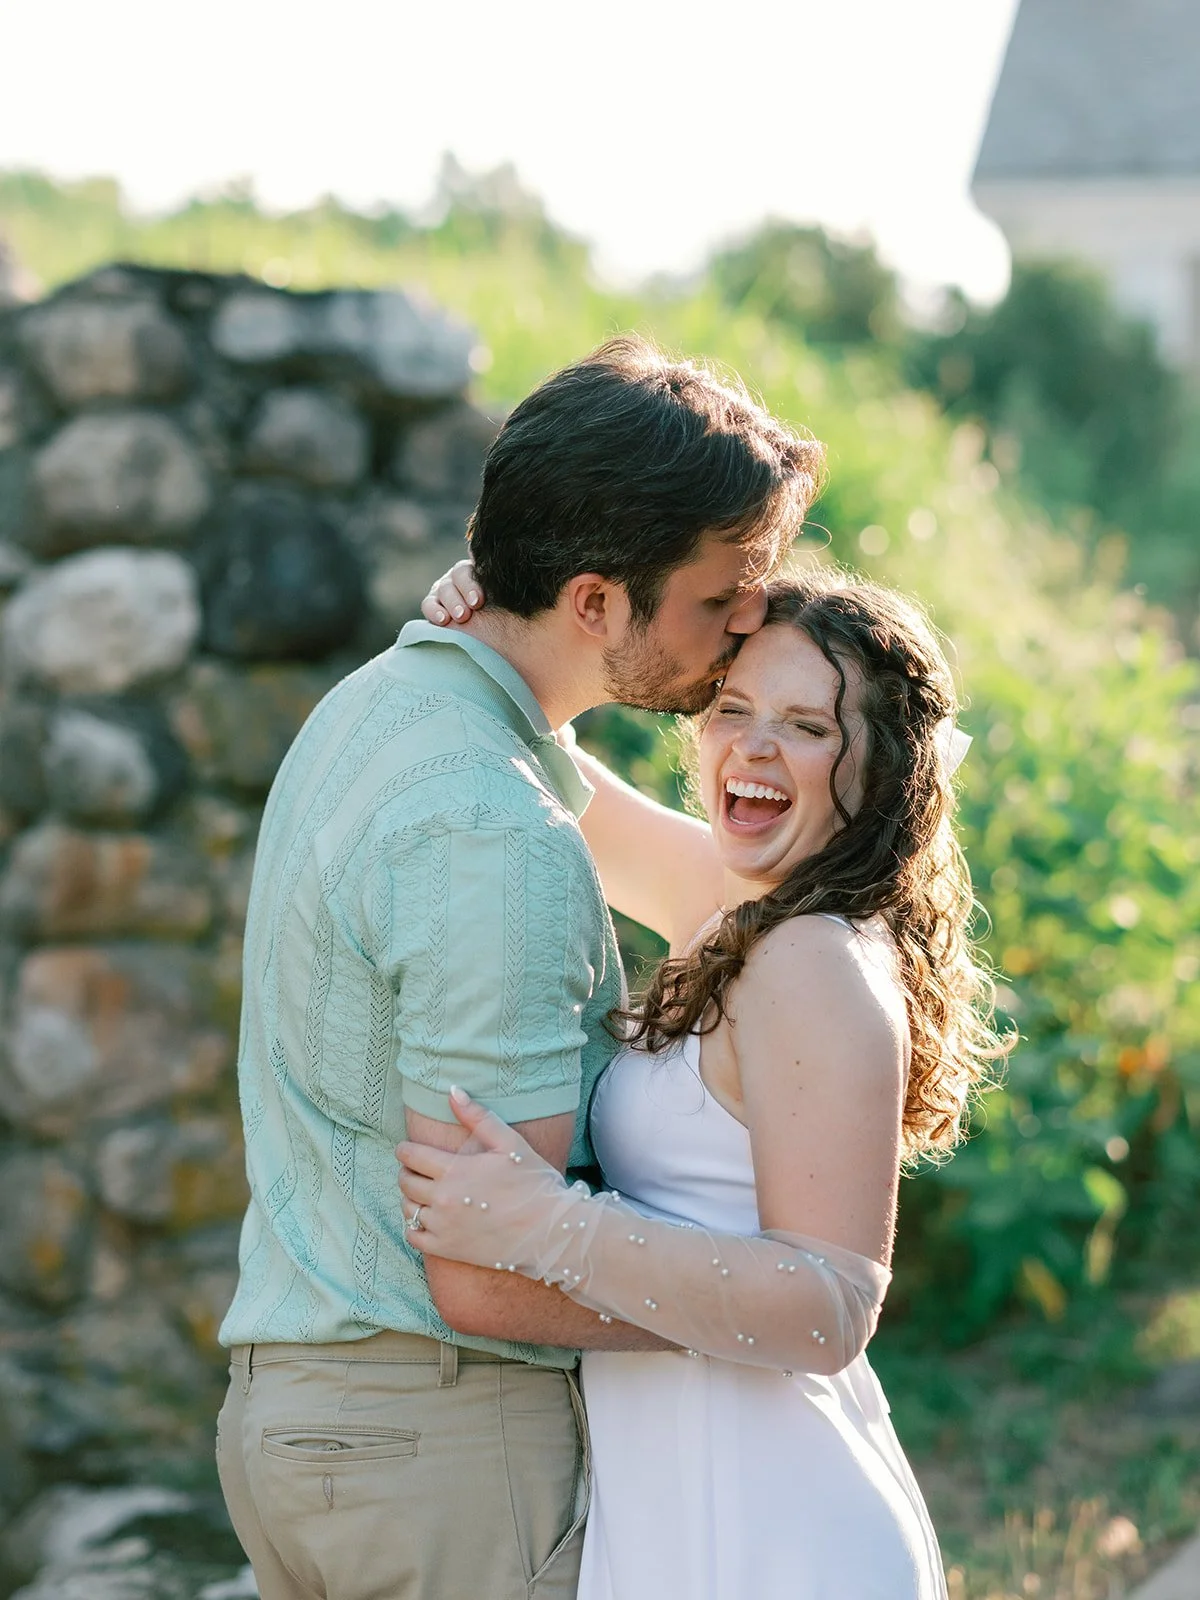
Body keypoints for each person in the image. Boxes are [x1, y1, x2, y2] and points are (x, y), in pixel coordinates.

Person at [214, 335, 824, 1600]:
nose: (743, 628)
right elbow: (492, 1269)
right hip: (441, 1452)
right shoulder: (495, 829)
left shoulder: (384, 705)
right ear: (595, 600)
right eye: (720, 601)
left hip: (311, 1426)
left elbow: (700, 878)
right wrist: (768, 1312)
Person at [399, 563, 1010, 1599]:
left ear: (885, 771)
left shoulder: (811, 956)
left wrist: (547, 1227)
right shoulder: (737, 905)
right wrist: (497, 622)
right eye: (734, 708)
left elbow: (833, 1303)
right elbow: (555, 782)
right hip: (685, 1510)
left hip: (771, 1528)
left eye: (808, 725)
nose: (756, 744)